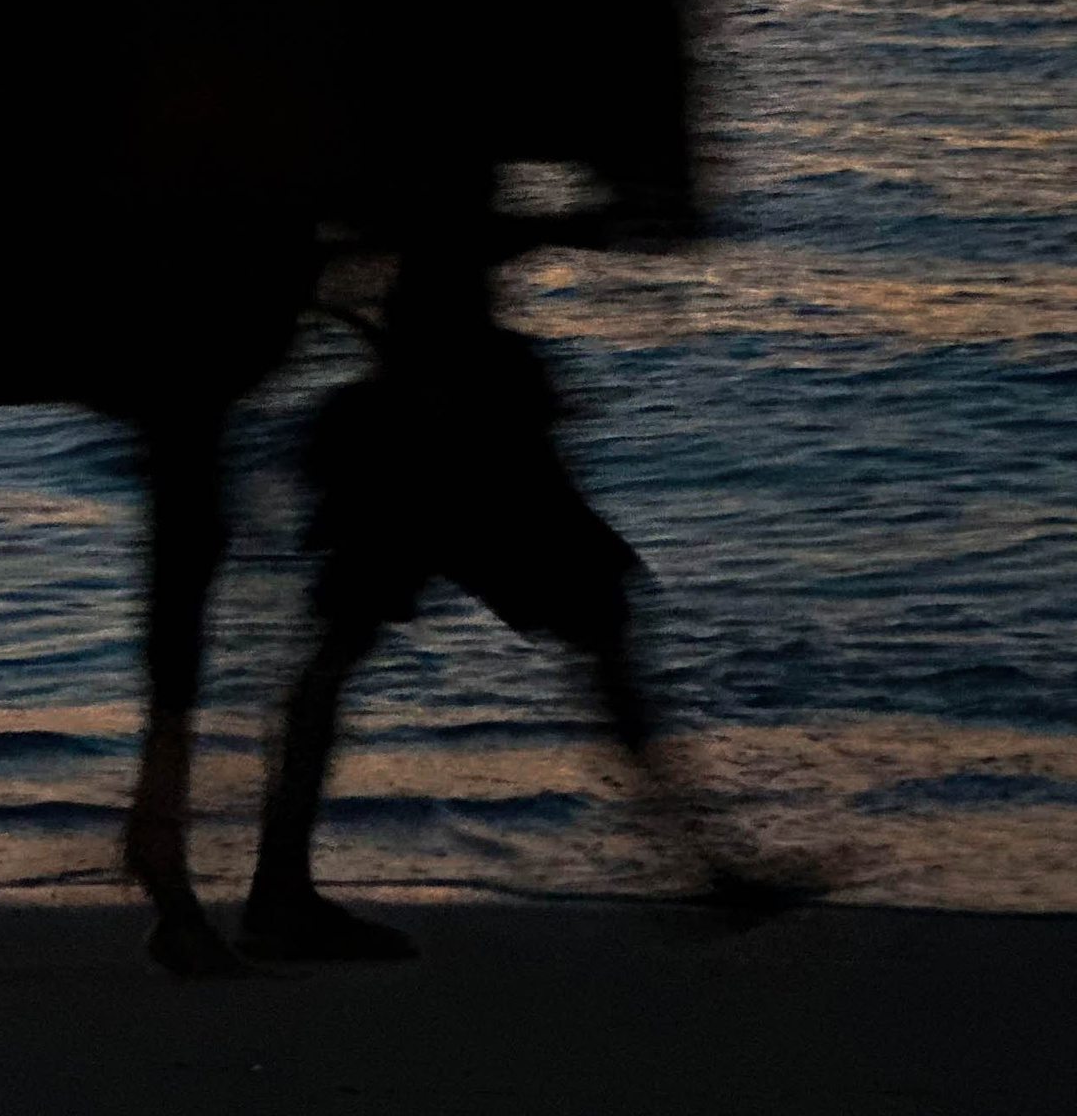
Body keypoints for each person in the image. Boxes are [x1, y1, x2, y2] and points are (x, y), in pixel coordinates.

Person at [242, 255, 805, 960]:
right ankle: (704, 868)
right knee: (600, 629)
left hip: (421, 412)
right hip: (458, 420)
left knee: (338, 652)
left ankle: (278, 890)